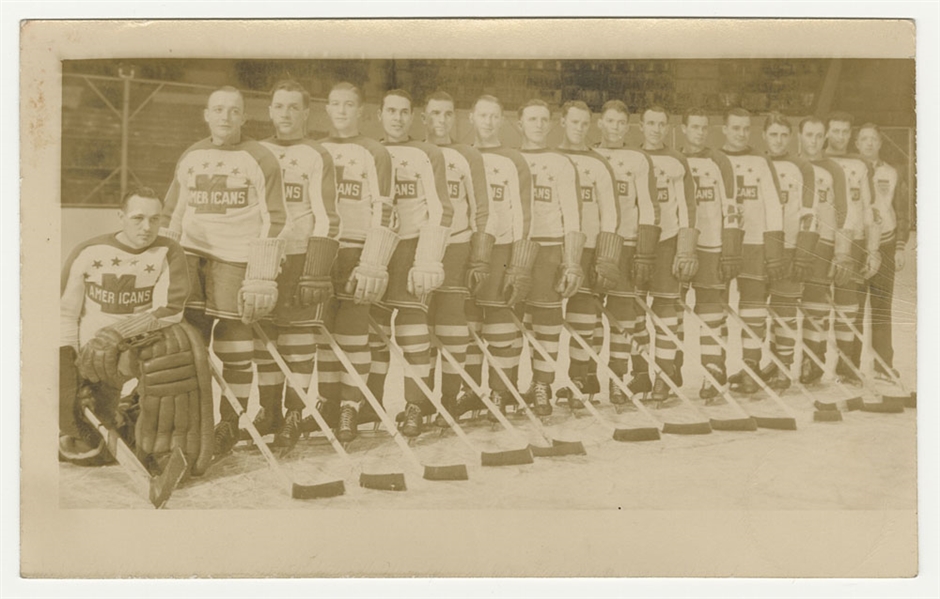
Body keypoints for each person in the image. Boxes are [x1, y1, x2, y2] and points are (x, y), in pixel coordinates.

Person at [162, 86, 289, 455]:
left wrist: (262, 272)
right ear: (206, 114)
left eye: (233, 111)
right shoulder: (192, 154)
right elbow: (173, 211)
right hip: (190, 256)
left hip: (236, 258)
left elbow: (276, 217)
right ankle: (190, 423)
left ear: (244, 117)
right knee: (190, 347)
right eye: (218, 110)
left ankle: (229, 423)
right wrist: (165, 263)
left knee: (235, 347)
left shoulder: (259, 156)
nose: (225, 117)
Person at [61, 188, 213, 476]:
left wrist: (119, 333)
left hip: (138, 348)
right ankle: (124, 421)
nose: (147, 227)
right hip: (92, 356)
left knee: (173, 348)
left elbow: (169, 309)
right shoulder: (88, 251)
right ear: (121, 217)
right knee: (92, 447)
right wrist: (69, 361)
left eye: (155, 219)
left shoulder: (167, 250)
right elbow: (64, 312)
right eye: (138, 218)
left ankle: (163, 447)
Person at [255, 80, 341, 449]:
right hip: (262, 255)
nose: (286, 114)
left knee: (298, 340)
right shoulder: (256, 151)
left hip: (300, 255)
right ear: (270, 110)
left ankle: (293, 413)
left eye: (294, 107)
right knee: (264, 339)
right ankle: (268, 410)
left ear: (306, 113)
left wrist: (316, 267)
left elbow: (327, 215)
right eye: (279, 106)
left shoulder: (316, 154)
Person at [366, 89, 453, 438]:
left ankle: (415, 405)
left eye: (404, 111)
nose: (397, 118)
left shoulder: (427, 153)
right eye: (391, 111)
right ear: (379, 115)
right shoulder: (370, 152)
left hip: (412, 249)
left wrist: (428, 256)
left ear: (413, 116)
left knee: (413, 330)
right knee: (372, 331)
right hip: (373, 249)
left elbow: (441, 207)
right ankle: (367, 407)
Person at [316, 82, 398, 441]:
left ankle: (351, 407)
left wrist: (373, 259)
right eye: (336, 103)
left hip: (356, 249)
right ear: (327, 109)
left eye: (349, 104)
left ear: (361, 111)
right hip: (321, 249)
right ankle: (328, 402)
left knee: (352, 334)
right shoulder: (315, 149)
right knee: (322, 335)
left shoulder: (374, 152)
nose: (342, 110)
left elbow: (384, 207)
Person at [419, 91, 494, 424]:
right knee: (418, 326)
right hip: (417, 247)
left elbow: (481, 208)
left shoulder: (467, 155)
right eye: (435, 114)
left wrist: (479, 254)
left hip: (455, 245)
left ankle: (449, 397)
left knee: (450, 322)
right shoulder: (412, 152)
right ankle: (418, 403)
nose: (441, 120)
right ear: (424, 117)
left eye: (448, 114)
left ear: (456, 118)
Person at [514, 99, 584, 415]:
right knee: (515, 322)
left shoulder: (560, 163)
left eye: (544, 119)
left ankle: (543, 383)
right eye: (532, 119)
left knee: (546, 320)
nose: (539, 125)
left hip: (549, 247)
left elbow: (573, 214)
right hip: (514, 248)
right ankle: (510, 387)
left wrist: (571, 260)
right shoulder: (509, 159)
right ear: (519, 123)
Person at [467, 94, 536, 416]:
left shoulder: (513, 159)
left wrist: (519, 261)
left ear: (502, 121)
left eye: (495, 116)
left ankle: (500, 391)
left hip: (502, 249)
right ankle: (467, 391)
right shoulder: (461, 156)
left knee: (500, 322)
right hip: (465, 247)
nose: (489, 122)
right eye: (483, 115)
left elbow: (523, 212)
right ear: (472, 118)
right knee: (466, 323)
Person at [554, 101, 621, 410]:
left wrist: (606, 255)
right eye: (574, 122)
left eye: (584, 124)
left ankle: (581, 378)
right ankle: (541, 381)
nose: (579, 129)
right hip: (553, 245)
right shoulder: (551, 158)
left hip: (589, 246)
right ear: (563, 122)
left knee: (585, 317)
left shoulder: (598, 163)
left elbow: (610, 213)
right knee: (542, 318)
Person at [592, 100, 658, 404]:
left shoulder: (638, 159)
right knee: (588, 318)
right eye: (610, 121)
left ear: (627, 126)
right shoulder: (589, 155)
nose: (615, 127)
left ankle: (619, 379)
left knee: (622, 319)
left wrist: (644, 252)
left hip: (626, 246)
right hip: (594, 246)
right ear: (600, 123)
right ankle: (586, 378)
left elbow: (646, 206)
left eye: (621, 122)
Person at [719, 108, 786, 393]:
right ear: (724, 129)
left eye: (746, 128)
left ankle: (750, 367)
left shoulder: (760, 161)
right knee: (716, 310)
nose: (741, 133)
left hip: (755, 245)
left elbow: (773, 205)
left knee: (753, 310)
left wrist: (773, 249)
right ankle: (716, 369)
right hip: (720, 245)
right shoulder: (715, 158)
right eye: (735, 128)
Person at [636, 105, 698, 402]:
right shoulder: (633, 158)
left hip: (668, 242)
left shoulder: (677, 160)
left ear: (668, 128)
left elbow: (688, 207)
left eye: (662, 124)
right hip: (636, 245)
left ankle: (664, 374)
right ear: (641, 126)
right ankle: (638, 374)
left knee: (665, 311)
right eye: (651, 123)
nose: (656, 129)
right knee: (634, 311)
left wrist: (684, 248)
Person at [679, 107, 740, 401]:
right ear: (684, 128)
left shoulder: (720, 161)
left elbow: (732, 206)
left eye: (704, 127)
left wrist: (729, 247)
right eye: (695, 126)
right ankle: (668, 373)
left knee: (711, 310)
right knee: (672, 310)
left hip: (712, 245)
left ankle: (714, 369)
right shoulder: (675, 160)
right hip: (679, 245)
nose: (700, 132)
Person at [796, 116, 863, 385]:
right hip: (795, 245)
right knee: (796, 308)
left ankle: (831, 364)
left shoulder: (833, 169)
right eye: (808, 134)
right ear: (798, 135)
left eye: (818, 135)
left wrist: (842, 252)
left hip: (824, 245)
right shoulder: (791, 165)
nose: (813, 140)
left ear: (824, 138)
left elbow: (844, 213)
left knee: (820, 306)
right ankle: (803, 362)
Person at [825, 111, 882, 384]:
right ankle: (809, 365)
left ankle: (845, 365)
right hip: (823, 242)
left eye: (845, 132)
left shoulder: (861, 165)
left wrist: (872, 248)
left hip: (855, 241)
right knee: (815, 306)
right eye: (835, 130)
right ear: (827, 131)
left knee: (849, 306)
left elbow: (869, 208)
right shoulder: (817, 161)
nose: (840, 136)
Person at [762, 112, 818, 390]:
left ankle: (783, 370)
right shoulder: (757, 164)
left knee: (784, 310)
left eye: (784, 135)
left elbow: (810, 212)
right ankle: (770, 364)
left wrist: (803, 251)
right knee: (760, 312)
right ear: (763, 136)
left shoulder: (803, 167)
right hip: (759, 248)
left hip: (790, 247)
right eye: (773, 134)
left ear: (791, 137)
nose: (779, 140)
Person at [854, 122, 911, 379]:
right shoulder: (849, 171)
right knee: (853, 307)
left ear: (880, 143)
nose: (868, 143)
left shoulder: (892, 172)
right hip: (856, 246)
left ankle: (882, 365)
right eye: (863, 139)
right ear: (856, 143)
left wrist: (900, 246)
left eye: (873, 139)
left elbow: (902, 210)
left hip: (885, 245)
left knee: (881, 307)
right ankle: (850, 366)